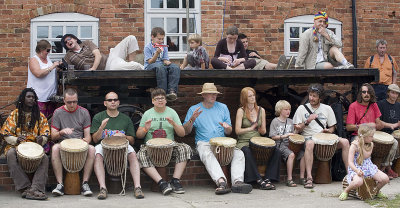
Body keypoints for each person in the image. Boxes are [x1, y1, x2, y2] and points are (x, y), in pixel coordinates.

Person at [183, 83, 253, 195]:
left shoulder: (223, 107)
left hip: (222, 143)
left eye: (215, 94)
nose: (213, 96)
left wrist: (227, 128)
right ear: (204, 95)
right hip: (204, 142)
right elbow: (185, 132)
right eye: (210, 94)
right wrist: (192, 120)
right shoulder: (194, 109)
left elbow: (229, 131)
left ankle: (238, 182)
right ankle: (221, 182)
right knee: (207, 154)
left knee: (239, 153)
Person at [136, 88, 192, 195]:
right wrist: (145, 129)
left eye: (162, 98)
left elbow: (182, 134)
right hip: (150, 146)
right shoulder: (148, 113)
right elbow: (139, 135)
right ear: (153, 101)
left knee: (185, 148)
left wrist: (174, 124)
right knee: (140, 156)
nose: (160, 100)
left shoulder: (172, 112)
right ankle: (161, 183)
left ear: (166, 100)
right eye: (157, 99)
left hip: (170, 145)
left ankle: (175, 181)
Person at [293, 83, 349, 189]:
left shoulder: (327, 108)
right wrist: (307, 121)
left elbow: (333, 127)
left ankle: (349, 174)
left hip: (324, 137)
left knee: (345, 142)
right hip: (309, 137)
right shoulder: (302, 108)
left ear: (320, 97)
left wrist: (328, 131)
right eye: (310, 95)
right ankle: (309, 178)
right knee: (309, 143)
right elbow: (297, 128)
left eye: (314, 96)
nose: (311, 98)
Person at [91, 92, 144, 199]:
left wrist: (124, 136)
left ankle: (138, 187)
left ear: (118, 102)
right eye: (110, 100)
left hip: (122, 144)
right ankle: (102, 188)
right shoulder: (98, 117)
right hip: (103, 144)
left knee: (133, 154)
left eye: (115, 100)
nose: (113, 102)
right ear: (105, 103)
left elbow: (132, 140)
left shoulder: (125, 118)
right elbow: (95, 139)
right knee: (97, 156)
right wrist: (101, 128)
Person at [0, 88, 50, 200]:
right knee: (11, 154)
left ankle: (36, 188)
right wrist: (16, 140)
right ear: (22, 98)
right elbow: (6, 134)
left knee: (45, 158)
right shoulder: (15, 115)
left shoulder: (39, 116)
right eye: (28, 96)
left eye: (33, 97)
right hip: (15, 146)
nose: (31, 99)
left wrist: (41, 139)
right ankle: (25, 187)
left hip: (34, 147)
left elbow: (46, 133)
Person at [50, 88, 95, 197]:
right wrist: (61, 132)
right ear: (64, 101)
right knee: (55, 148)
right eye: (69, 102)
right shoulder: (58, 112)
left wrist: (85, 141)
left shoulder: (84, 112)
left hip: (80, 143)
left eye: (75, 101)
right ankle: (60, 184)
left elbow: (88, 137)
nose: (72, 104)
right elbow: (53, 136)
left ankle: (85, 184)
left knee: (92, 149)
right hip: (63, 143)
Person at [235, 87, 280, 190]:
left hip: (258, 140)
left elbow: (263, 131)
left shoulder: (261, 110)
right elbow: (237, 131)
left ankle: (268, 178)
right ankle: (258, 179)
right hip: (244, 141)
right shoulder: (240, 111)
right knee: (247, 151)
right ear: (244, 98)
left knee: (276, 150)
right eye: (249, 96)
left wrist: (260, 129)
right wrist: (250, 128)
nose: (253, 97)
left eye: (253, 95)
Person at [339, 124, 389, 201]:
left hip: (368, 166)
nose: (373, 138)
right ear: (364, 136)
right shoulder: (354, 145)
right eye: (371, 136)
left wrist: (361, 148)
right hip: (356, 167)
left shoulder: (370, 144)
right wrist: (357, 170)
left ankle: (375, 191)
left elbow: (366, 156)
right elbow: (350, 162)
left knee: (385, 179)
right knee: (358, 182)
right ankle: (346, 190)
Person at [61, 34, 144, 71]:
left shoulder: (87, 43)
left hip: (111, 56)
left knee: (131, 38)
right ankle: (142, 68)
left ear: (75, 39)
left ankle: (131, 64)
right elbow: (63, 65)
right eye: (65, 43)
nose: (68, 42)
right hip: (108, 67)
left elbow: (98, 55)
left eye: (69, 39)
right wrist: (55, 65)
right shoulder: (69, 55)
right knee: (134, 65)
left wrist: (93, 68)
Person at [270, 100, 304, 187]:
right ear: (280, 110)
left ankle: (302, 177)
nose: (288, 111)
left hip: (290, 144)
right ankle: (289, 179)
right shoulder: (275, 121)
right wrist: (284, 136)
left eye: (289, 109)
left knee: (303, 154)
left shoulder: (291, 121)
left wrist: (297, 129)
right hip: (280, 144)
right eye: (285, 109)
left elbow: (293, 135)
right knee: (291, 155)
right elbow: (273, 137)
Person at [144, 27, 180, 102]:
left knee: (175, 67)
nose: (161, 41)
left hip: (161, 64)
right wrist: (157, 53)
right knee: (161, 68)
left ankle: (172, 91)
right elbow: (150, 61)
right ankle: (162, 92)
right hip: (151, 65)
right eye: (159, 39)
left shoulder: (164, 47)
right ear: (152, 37)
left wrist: (167, 62)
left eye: (162, 39)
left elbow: (165, 59)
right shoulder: (148, 47)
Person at [28, 40, 60, 118]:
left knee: (50, 119)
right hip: (39, 96)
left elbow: (49, 71)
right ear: (41, 50)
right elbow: (38, 73)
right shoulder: (34, 60)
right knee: (39, 119)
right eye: (48, 50)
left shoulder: (47, 58)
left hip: (50, 96)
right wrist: (52, 66)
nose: (49, 52)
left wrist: (57, 67)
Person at [377, 84, 400, 179]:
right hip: (382, 132)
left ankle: (386, 167)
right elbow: (377, 120)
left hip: (394, 132)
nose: (394, 95)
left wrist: (396, 125)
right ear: (388, 93)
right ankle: (385, 168)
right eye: (392, 93)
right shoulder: (381, 104)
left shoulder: (399, 105)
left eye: (396, 94)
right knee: (394, 143)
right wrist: (390, 125)